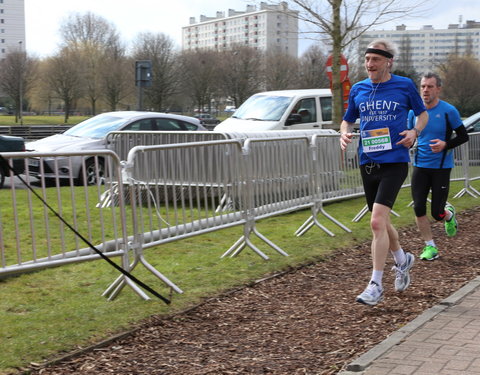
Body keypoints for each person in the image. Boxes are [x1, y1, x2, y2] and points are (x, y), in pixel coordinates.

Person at [340, 39, 429, 306]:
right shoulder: (358, 89)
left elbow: (422, 115)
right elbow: (348, 119)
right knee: (383, 222)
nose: (369, 65)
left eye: (375, 60)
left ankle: (375, 284)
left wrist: (414, 132)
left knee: (377, 221)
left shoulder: (404, 86)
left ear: (388, 61)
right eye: (367, 60)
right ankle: (403, 260)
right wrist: (343, 134)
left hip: (395, 161)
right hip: (367, 161)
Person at [408, 73, 469, 261]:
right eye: (423, 86)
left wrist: (445, 144)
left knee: (437, 212)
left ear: (438, 89)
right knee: (418, 207)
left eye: (430, 87)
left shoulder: (448, 111)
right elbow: (412, 137)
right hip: (420, 165)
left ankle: (448, 216)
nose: (425, 90)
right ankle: (430, 247)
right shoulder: (413, 113)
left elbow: (463, 136)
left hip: (441, 167)